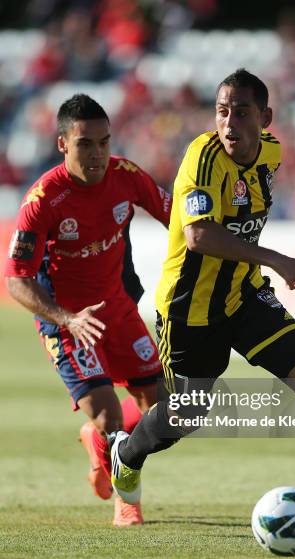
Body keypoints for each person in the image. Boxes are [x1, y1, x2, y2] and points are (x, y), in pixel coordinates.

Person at [109, 69, 295, 533]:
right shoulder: (202, 159)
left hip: (245, 295)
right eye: (222, 111)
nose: (229, 123)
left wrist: (262, 265)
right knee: (187, 413)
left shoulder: (273, 153)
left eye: (241, 112)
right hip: (190, 308)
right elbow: (199, 235)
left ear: (264, 117)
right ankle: (125, 453)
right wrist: (277, 259)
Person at [5, 94, 171, 526]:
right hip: (67, 322)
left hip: (117, 309)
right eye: (85, 144)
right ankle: (127, 500)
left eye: (104, 142)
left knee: (163, 408)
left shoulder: (126, 176)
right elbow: (16, 280)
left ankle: (97, 445)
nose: (97, 153)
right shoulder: (43, 200)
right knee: (111, 417)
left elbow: (177, 219)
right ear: (63, 144)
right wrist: (65, 318)